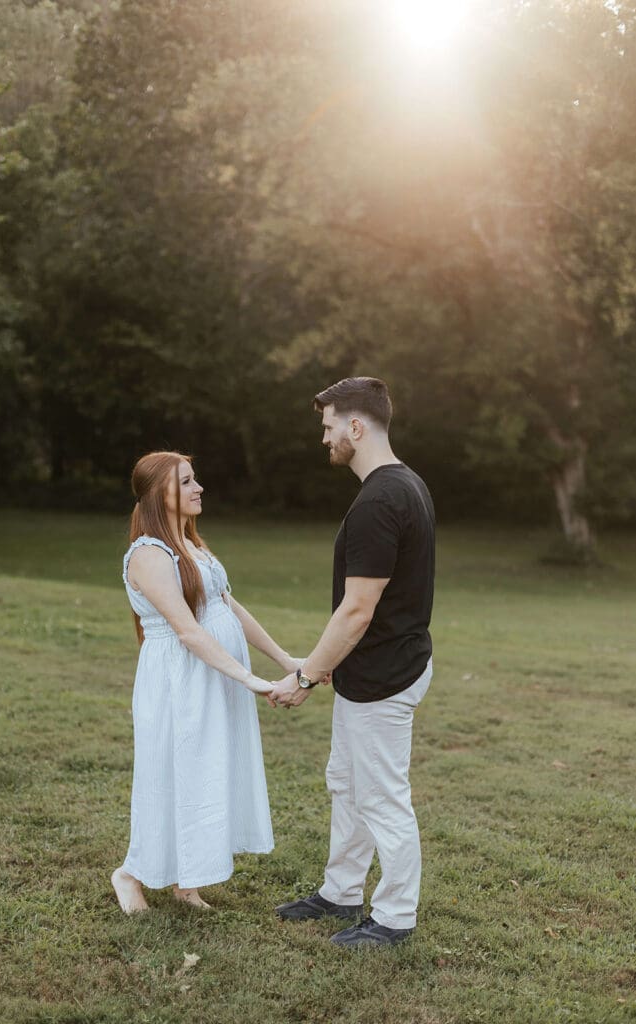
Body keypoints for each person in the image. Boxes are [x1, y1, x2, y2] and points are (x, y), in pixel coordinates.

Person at [269, 377, 435, 949]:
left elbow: (357, 610)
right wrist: (329, 666)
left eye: (328, 426)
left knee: (382, 796)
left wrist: (305, 675)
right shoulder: (406, 484)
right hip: (374, 669)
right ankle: (340, 890)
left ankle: (394, 918)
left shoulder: (381, 499)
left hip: (385, 677)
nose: (325, 438)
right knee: (347, 783)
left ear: (355, 427)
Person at [111, 451, 300, 913]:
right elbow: (188, 631)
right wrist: (251, 679)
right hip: (181, 680)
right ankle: (131, 873)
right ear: (161, 495)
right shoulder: (150, 554)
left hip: (213, 678)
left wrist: (284, 658)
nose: (199, 488)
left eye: (196, 479)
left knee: (205, 772)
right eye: (188, 482)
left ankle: (187, 882)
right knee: (169, 775)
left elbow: (227, 608)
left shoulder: (192, 544)